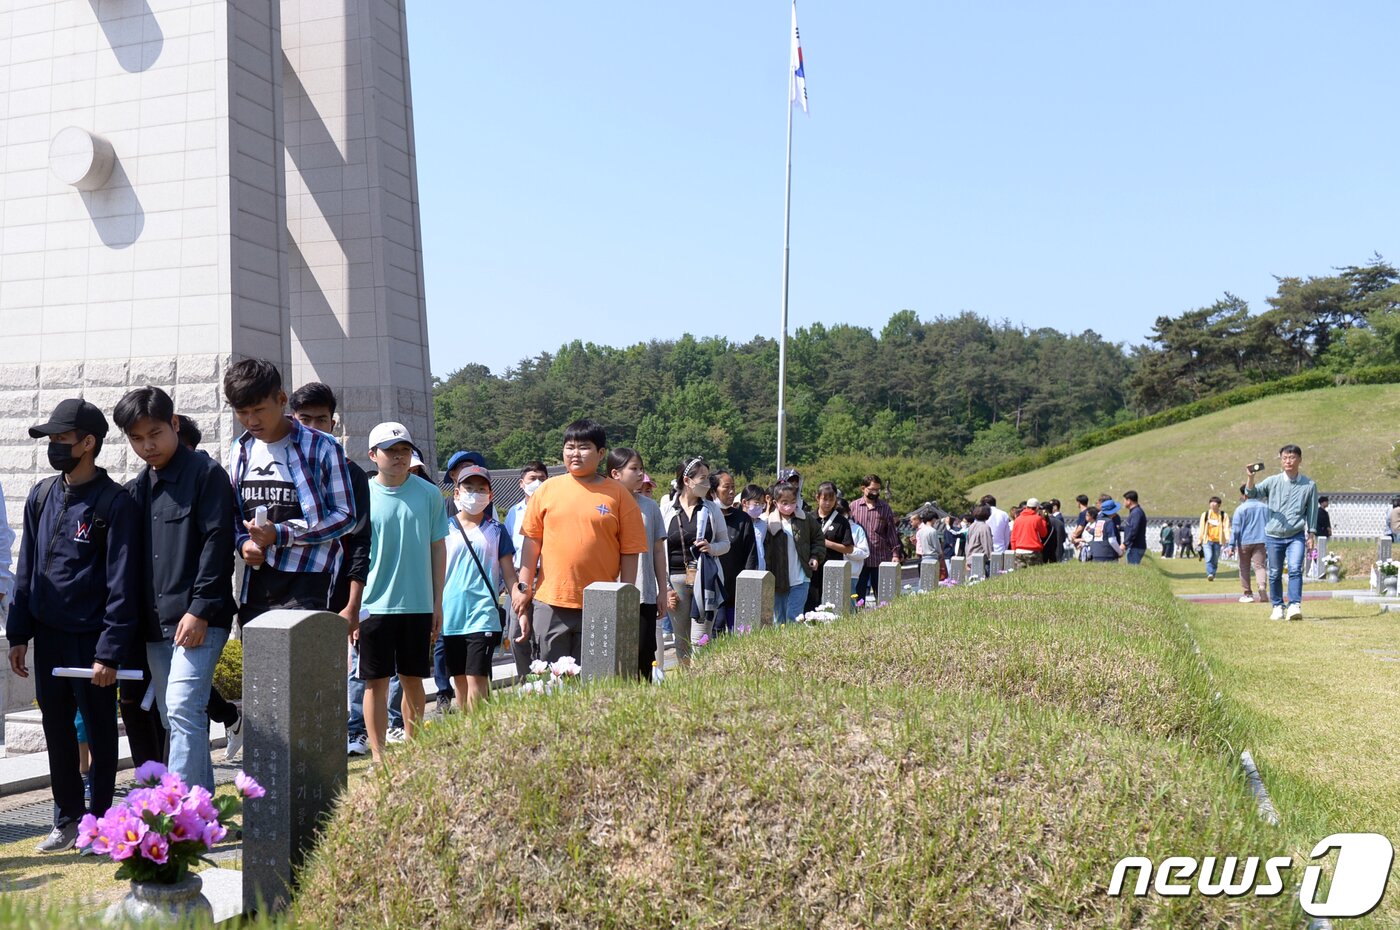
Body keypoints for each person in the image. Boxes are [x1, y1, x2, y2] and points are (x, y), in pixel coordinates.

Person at [7, 399, 140, 853]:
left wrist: (110, 650)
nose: (55, 446)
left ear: (88, 443)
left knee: (100, 731)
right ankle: (66, 818)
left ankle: (99, 822)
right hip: (48, 636)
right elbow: (27, 568)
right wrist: (18, 633)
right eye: (52, 439)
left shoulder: (114, 502)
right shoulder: (41, 494)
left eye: (62, 439)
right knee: (57, 729)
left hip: (92, 640)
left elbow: (123, 583)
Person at [115, 387, 236, 792]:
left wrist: (199, 609)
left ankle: (178, 811)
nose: (147, 446)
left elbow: (218, 544)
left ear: (175, 424)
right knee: (176, 715)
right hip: (156, 625)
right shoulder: (137, 487)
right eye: (136, 438)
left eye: (155, 434)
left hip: (200, 618)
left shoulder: (206, 474)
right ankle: (203, 805)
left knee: (184, 708)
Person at [284, 382, 378, 756]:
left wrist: (352, 604)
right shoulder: (277, 467)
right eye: (304, 419)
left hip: (332, 594)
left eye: (320, 420)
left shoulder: (351, 474)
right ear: (292, 419)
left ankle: (320, 754)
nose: (313, 427)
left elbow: (360, 542)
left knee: (325, 676)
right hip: (282, 591)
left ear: (333, 423)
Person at [223, 359, 356, 623]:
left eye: (259, 410)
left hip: (308, 578)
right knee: (257, 649)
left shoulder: (322, 446)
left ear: (282, 399)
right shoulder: (240, 448)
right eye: (242, 412)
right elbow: (234, 512)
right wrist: (243, 543)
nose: (251, 420)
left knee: (299, 648)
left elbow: (345, 516)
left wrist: (281, 533)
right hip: (257, 581)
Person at [517, 420, 647, 663]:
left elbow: (630, 551)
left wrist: (625, 598)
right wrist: (524, 587)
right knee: (550, 675)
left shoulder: (618, 494)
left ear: (601, 453)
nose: (575, 453)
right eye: (570, 447)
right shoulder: (547, 490)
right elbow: (531, 542)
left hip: (601, 601)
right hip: (552, 600)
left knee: (596, 674)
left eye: (584, 447)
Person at [359, 422, 448, 764]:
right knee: (375, 682)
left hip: (418, 603)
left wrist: (437, 602)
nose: (399, 457)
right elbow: (352, 554)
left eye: (404, 450)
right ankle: (378, 757)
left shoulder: (429, 494)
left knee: (413, 680)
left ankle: (415, 752)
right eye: (391, 451)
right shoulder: (362, 494)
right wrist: (352, 606)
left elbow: (438, 548)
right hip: (373, 605)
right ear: (373, 455)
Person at [441, 464, 519, 711]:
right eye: (469, 488)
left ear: (490, 495)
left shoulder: (497, 530)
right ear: (456, 493)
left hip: (483, 614)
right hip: (451, 614)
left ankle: (479, 728)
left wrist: (520, 601)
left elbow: (509, 574)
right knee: (459, 680)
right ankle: (468, 730)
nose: (475, 494)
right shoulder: (442, 529)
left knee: (477, 678)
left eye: (481, 489)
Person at [659, 457, 731, 660]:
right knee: (681, 640)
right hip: (675, 581)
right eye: (703, 478)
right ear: (687, 480)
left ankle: (701, 676)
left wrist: (711, 548)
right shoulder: (666, 510)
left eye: (708, 478)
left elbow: (725, 543)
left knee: (701, 639)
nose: (707, 483)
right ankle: (686, 679)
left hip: (705, 579)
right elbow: (657, 551)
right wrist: (665, 588)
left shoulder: (711, 509)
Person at [606, 448, 668, 677]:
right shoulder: (604, 504)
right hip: (608, 590)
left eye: (641, 468)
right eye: (634, 468)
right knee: (611, 655)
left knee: (644, 653)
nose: (640, 473)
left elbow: (658, 551)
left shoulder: (650, 507)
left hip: (644, 593)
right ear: (615, 473)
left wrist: (663, 590)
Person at [1245, 444, 1319, 621]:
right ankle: (1277, 606)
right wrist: (1250, 477)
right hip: (1274, 535)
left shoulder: (1309, 485)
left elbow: (1312, 511)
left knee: (1295, 568)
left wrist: (1311, 534)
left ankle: (1294, 605)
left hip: (1296, 535)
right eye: (1285, 458)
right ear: (1281, 460)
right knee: (1275, 572)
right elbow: (1252, 493)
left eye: (1292, 457)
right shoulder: (1272, 481)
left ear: (1299, 460)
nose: (1288, 461)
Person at [762, 483, 823, 623]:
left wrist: (815, 556)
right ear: (775, 503)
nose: (789, 506)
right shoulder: (768, 523)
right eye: (784, 502)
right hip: (778, 580)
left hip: (801, 577)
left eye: (793, 502)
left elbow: (818, 538)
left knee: (794, 616)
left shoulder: (805, 519)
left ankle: (794, 637)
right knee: (779, 619)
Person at [713, 470, 757, 634]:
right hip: (714, 587)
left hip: (737, 589)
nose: (732, 491)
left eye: (733, 487)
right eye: (726, 487)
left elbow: (751, 554)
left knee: (739, 632)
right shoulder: (707, 516)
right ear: (713, 490)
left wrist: (748, 584)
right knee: (715, 630)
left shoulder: (743, 519)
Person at [847, 474, 900, 599]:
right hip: (860, 560)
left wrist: (895, 554)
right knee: (857, 596)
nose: (875, 493)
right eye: (872, 490)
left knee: (883, 596)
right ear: (863, 488)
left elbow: (891, 532)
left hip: (881, 558)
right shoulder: (853, 507)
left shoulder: (885, 508)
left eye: (877, 489)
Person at [808, 481, 854, 611]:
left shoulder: (841, 521)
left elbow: (849, 548)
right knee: (811, 603)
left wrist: (828, 544)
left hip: (834, 568)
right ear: (817, 498)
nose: (828, 503)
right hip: (812, 568)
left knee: (832, 604)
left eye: (831, 500)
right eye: (824, 499)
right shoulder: (809, 518)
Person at [1232, 484, 1269, 603]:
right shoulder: (1265, 507)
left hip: (1244, 541)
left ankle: (1248, 593)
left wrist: (1231, 544)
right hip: (1261, 541)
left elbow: (1236, 529)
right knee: (1260, 566)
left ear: (1244, 495)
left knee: (1244, 567)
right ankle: (1262, 587)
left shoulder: (1240, 509)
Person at [1198, 496, 1231, 581]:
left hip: (1218, 541)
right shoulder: (1205, 514)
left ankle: (1213, 573)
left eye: (1214, 502)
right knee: (1208, 557)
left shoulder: (1223, 515)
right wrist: (1199, 540)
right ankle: (1210, 574)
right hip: (1207, 540)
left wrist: (1228, 538)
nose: (1212, 504)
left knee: (1215, 559)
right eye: (1211, 502)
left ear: (1219, 505)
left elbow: (1226, 528)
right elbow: (1201, 528)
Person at [1009, 497, 1048, 568]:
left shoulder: (1018, 519)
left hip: (1019, 551)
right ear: (1037, 508)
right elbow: (1043, 534)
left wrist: (1014, 550)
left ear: (1027, 507)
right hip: (1033, 551)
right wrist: (1043, 520)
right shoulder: (1037, 519)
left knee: (1021, 573)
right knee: (1035, 572)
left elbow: (1013, 537)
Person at [843, 499, 870, 599]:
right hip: (830, 572)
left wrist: (846, 550)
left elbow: (864, 553)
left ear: (849, 512)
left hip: (851, 574)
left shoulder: (857, 529)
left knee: (850, 603)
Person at [740, 485, 768, 573]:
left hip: (760, 570)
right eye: (756, 503)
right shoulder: (737, 523)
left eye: (762, 504)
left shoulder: (763, 525)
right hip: (742, 571)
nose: (759, 506)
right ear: (744, 502)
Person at [964, 504, 994, 577]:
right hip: (981, 560)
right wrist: (992, 559)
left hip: (970, 558)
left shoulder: (972, 526)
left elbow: (967, 544)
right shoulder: (985, 527)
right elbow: (988, 545)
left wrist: (967, 558)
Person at [1121, 491, 1148, 565]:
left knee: (1132, 567)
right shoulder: (1135, 512)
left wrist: (1125, 544)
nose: (1123, 503)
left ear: (1129, 501)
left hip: (1135, 547)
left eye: (1124, 500)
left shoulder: (1136, 513)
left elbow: (1134, 530)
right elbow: (1130, 528)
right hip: (1134, 547)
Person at [1310, 496, 1332, 580]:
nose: (1327, 503)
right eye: (1326, 501)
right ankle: (1318, 567)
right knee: (1319, 550)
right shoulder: (1320, 512)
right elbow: (1324, 523)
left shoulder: (1323, 512)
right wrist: (1328, 529)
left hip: (1323, 534)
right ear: (1323, 503)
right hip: (1320, 534)